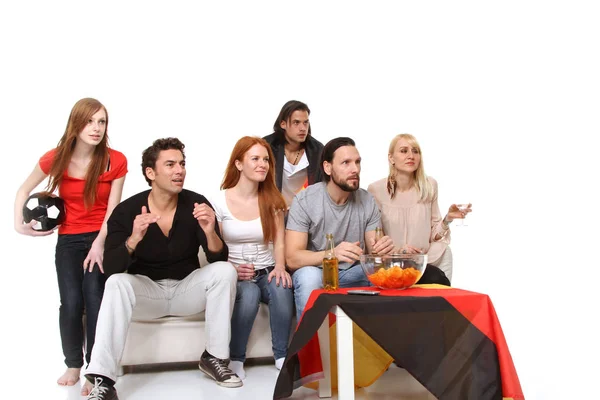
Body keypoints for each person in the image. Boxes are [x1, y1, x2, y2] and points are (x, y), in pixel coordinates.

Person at [83, 138, 241, 400]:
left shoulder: (196, 204)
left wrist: (210, 231)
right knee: (116, 283)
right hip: (147, 294)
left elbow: (218, 258)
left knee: (226, 271)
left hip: (185, 291)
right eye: (170, 164)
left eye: (181, 163)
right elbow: (111, 268)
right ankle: (103, 379)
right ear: (150, 173)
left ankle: (214, 359)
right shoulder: (126, 211)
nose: (179, 170)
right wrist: (133, 239)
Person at [13, 98, 127, 395]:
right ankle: (73, 364)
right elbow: (23, 189)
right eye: (90, 121)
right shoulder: (57, 158)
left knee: (95, 299)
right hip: (69, 240)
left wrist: (100, 244)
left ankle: (95, 369)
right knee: (72, 302)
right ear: (76, 124)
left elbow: (112, 211)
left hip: (101, 238)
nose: (96, 128)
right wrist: (18, 225)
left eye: (101, 122)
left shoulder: (116, 160)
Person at [211, 136, 294, 380]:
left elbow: (279, 240)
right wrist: (232, 269)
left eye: (266, 159)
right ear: (238, 164)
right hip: (237, 274)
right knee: (248, 295)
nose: (263, 164)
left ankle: (281, 355)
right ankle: (236, 358)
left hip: (267, 268)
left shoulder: (273, 200)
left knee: (281, 287)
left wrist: (280, 267)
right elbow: (215, 247)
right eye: (255, 159)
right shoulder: (220, 201)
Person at [285, 137, 395, 319]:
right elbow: (292, 258)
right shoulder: (305, 201)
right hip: (318, 272)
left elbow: (374, 252)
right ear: (328, 168)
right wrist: (331, 254)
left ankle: (377, 344)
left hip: (353, 272)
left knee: (381, 273)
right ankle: (308, 346)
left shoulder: (367, 201)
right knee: (308, 277)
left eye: (357, 162)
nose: (355, 169)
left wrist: (382, 250)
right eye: (346, 163)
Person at [367, 133, 472, 284]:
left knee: (443, 263)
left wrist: (447, 219)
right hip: (392, 264)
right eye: (404, 151)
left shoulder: (429, 185)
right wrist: (399, 252)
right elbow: (376, 241)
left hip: (425, 260)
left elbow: (434, 234)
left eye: (415, 151)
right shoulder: (375, 190)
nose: (411, 156)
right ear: (391, 158)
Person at [263, 100, 324, 207]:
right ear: (283, 124)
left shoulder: (317, 150)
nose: (303, 128)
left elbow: (322, 186)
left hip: (301, 210)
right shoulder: (267, 146)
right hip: (270, 207)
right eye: (296, 122)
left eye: (305, 122)